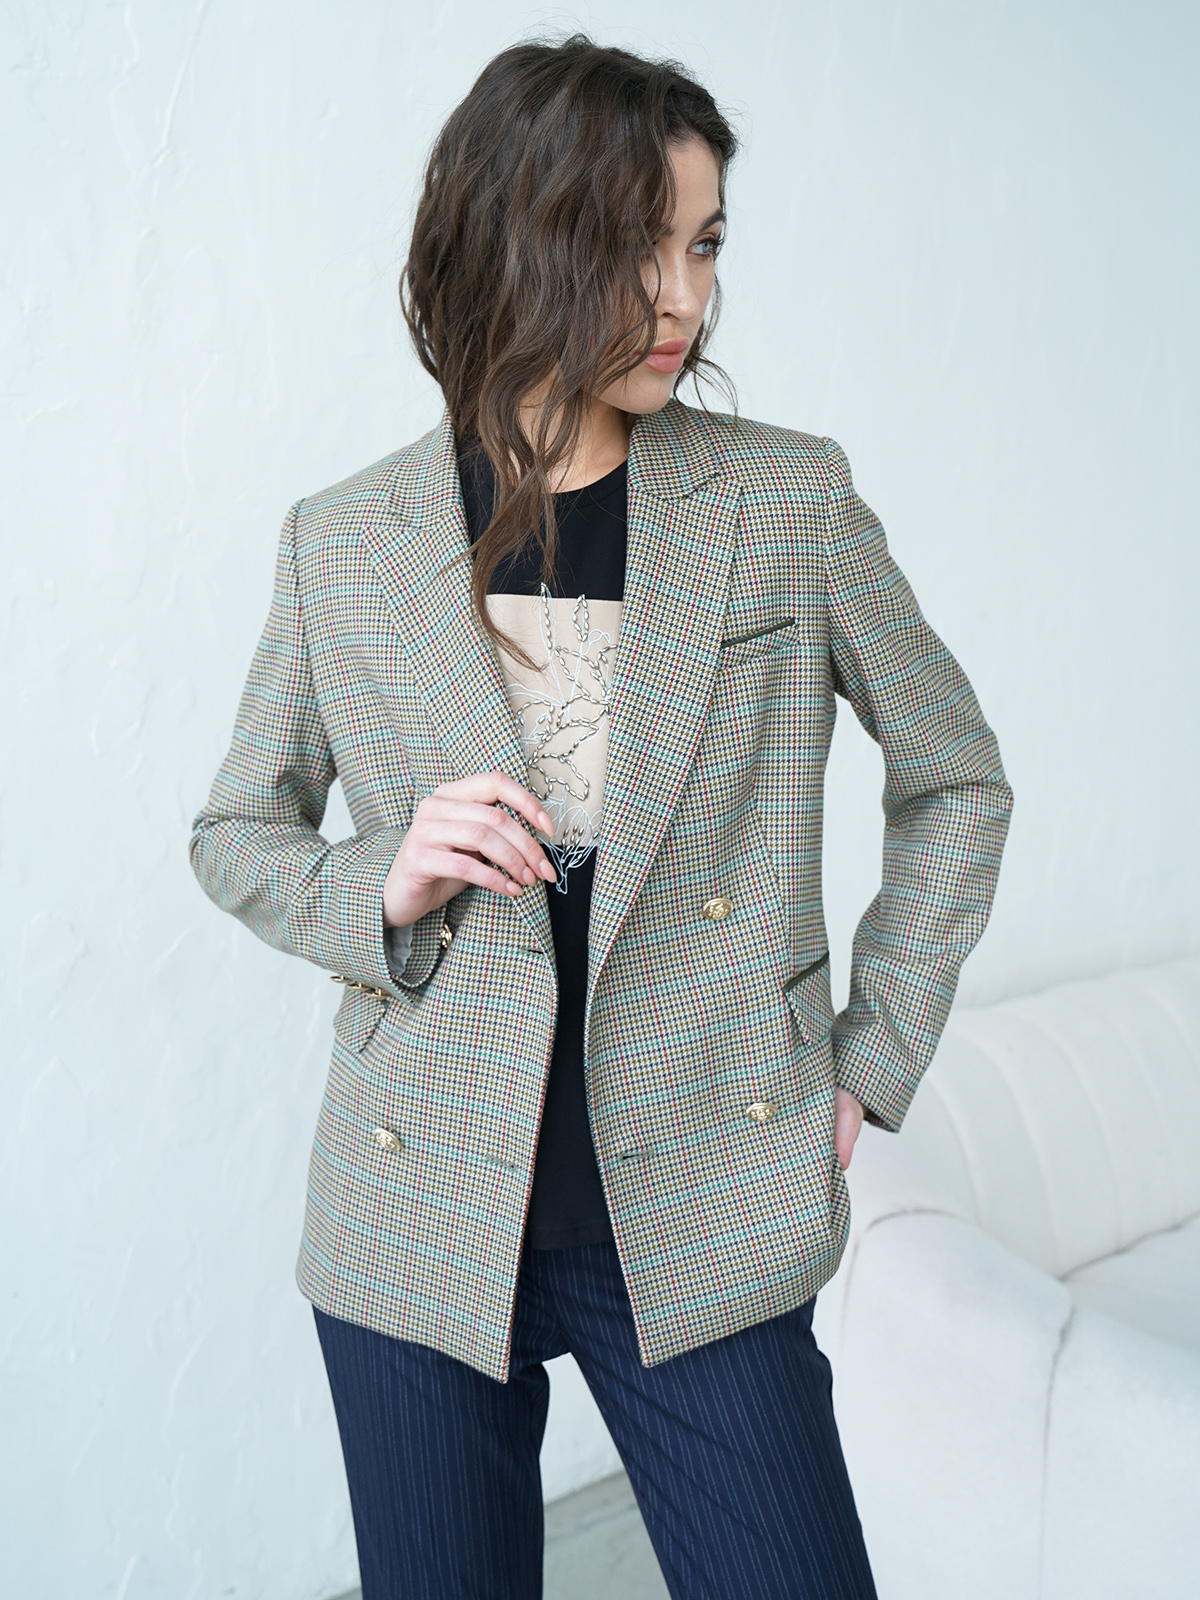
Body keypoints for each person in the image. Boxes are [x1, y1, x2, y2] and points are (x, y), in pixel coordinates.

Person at [189, 33, 1012, 1600]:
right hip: (417, 1205)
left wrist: (873, 1053)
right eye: (640, 244)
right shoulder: (343, 542)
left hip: (702, 1193)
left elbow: (957, 775)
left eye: (705, 243)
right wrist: (384, 879)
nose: (684, 295)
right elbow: (238, 832)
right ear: (517, 239)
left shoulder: (784, 505)